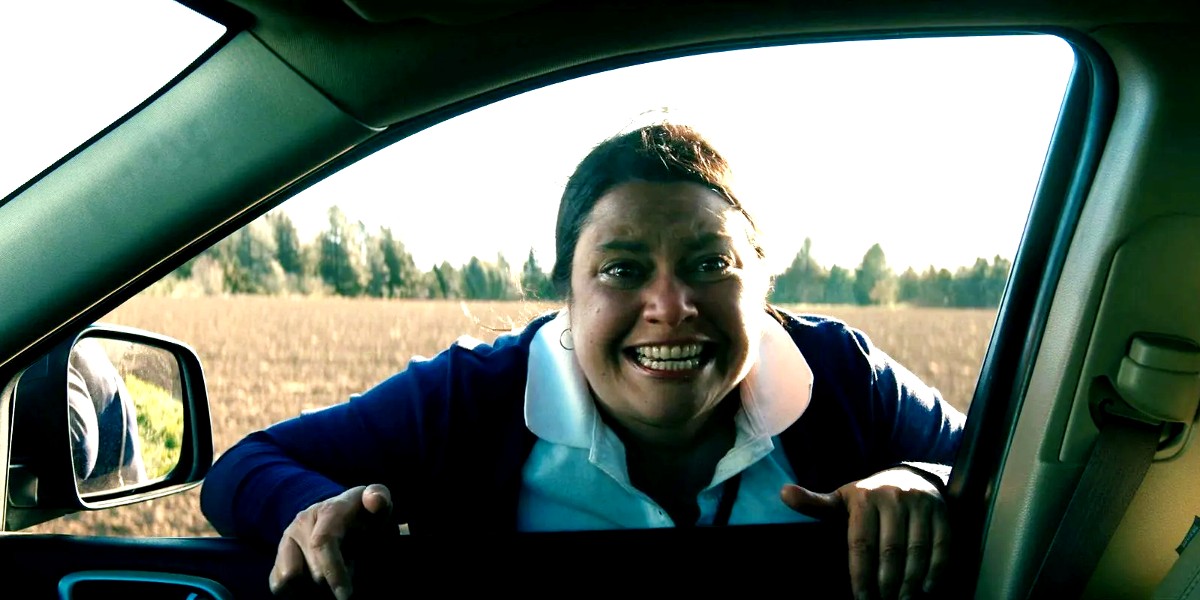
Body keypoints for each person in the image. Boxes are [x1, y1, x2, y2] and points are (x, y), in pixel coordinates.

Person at [200, 123, 965, 600]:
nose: (670, 306)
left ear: (764, 281)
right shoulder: (475, 398)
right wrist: (321, 511)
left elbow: (1000, 470)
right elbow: (246, 465)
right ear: (566, 293)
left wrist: (919, 479)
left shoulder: (842, 377)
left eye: (710, 264)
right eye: (623, 270)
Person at [68, 337, 148, 493]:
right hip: (120, 470)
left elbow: (80, 446)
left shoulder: (63, 354)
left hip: (111, 477)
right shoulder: (85, 345)